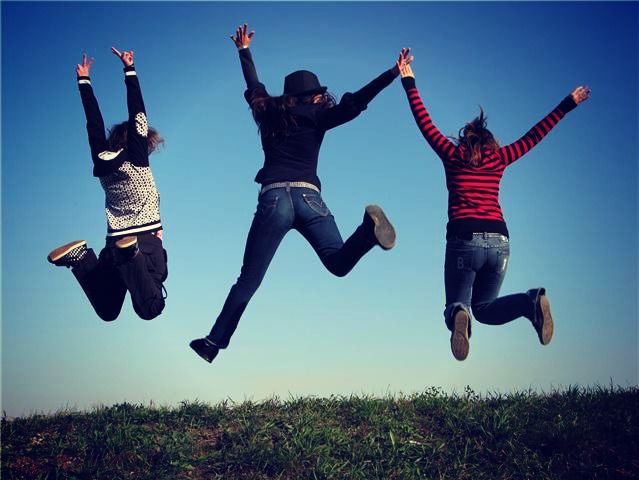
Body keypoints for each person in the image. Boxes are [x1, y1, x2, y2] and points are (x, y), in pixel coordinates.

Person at [190, 25, 412, 363]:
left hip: (274, 200)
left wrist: (244, 50)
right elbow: (356, 102)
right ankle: (368, 232)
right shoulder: (318, 116)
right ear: (313, 96)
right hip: (309, 199)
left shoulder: (267, 112)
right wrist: (392, 74)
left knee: (248, 280)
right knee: (338, 262)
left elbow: (253, 86)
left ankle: (213, 343)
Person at [399, 54, 590, 360]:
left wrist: (409, 81)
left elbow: (425, 122)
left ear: (465, 141)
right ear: (490, 143)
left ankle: (458, 313)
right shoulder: (500, 158)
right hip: (500, 240)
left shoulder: (452, 154)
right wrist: (567, 105)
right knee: (485, 309)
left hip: (463, 237)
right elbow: (535, 135)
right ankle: (529, 302)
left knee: (458, 304)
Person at [47, 48, 168, 322]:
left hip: (113, 243)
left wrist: (84, 82)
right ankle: (130, 254)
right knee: (150, 308)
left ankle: (81, 259)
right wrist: (129, 70)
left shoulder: (101, 161)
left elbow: (93, 125)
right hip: (145, 241)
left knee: (108, 310)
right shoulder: (137, 159)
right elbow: (138, 114)